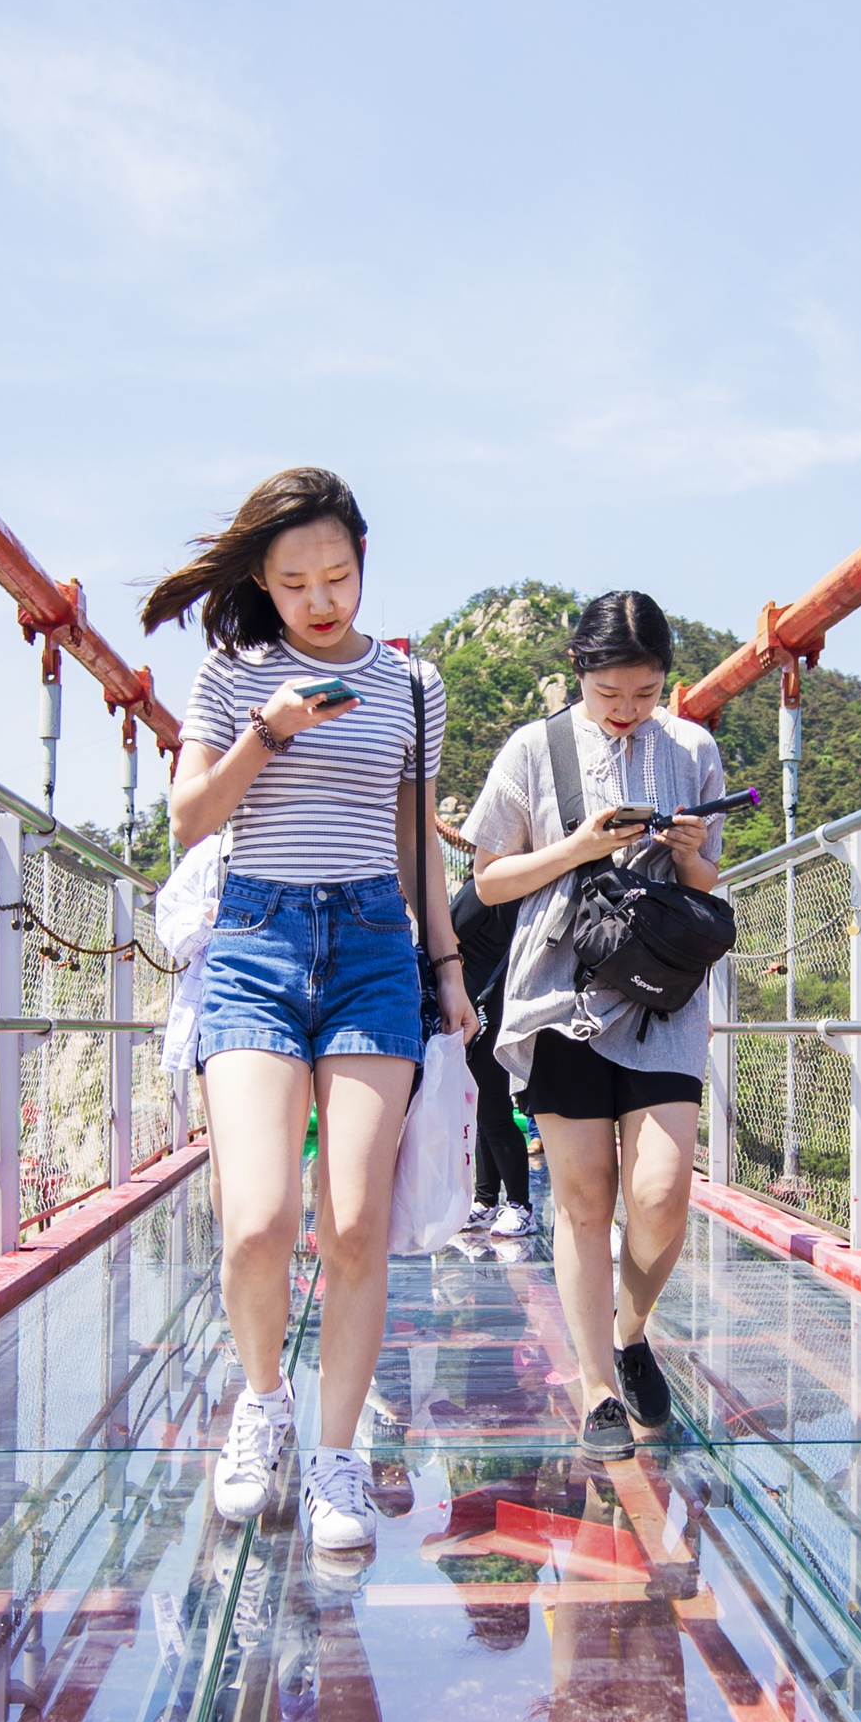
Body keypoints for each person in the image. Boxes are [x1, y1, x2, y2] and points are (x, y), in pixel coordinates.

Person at [148, 467, 474, 1552]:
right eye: (295, 582)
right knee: (258, 1221)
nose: (321, 598)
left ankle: (337, 1456)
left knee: (353, 1222)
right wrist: (267, 731)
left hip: (376, 947)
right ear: (264, 582)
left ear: (364, 566)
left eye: (338, 574)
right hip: (256, 942)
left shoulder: (412, 687)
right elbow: (192, 817)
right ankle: (261, 1405)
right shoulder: (232, 672)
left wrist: (449, 969)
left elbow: (417, 835)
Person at [462, 591, 726, 1444]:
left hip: (662, 1000)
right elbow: (489, 880)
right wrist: (578, 846)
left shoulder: (692, 747)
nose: (627, 713)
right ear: (580, 672)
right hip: (560, 995)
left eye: (646, 694)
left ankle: (630, 1329)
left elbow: (709, 886)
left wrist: (690, 854)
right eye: (611, 695)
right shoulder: (533, 750)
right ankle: (596, 1389)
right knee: (583, 1201)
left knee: (661, 1194)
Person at [445, 832, 532, 1239]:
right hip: (496, 1009)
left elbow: (444, 934)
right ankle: (487, 1200)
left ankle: (518, 1204)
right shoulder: (527, 893)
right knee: (486, 1113)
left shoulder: (484, 890)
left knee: (493, 1114)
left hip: (477, 1013)